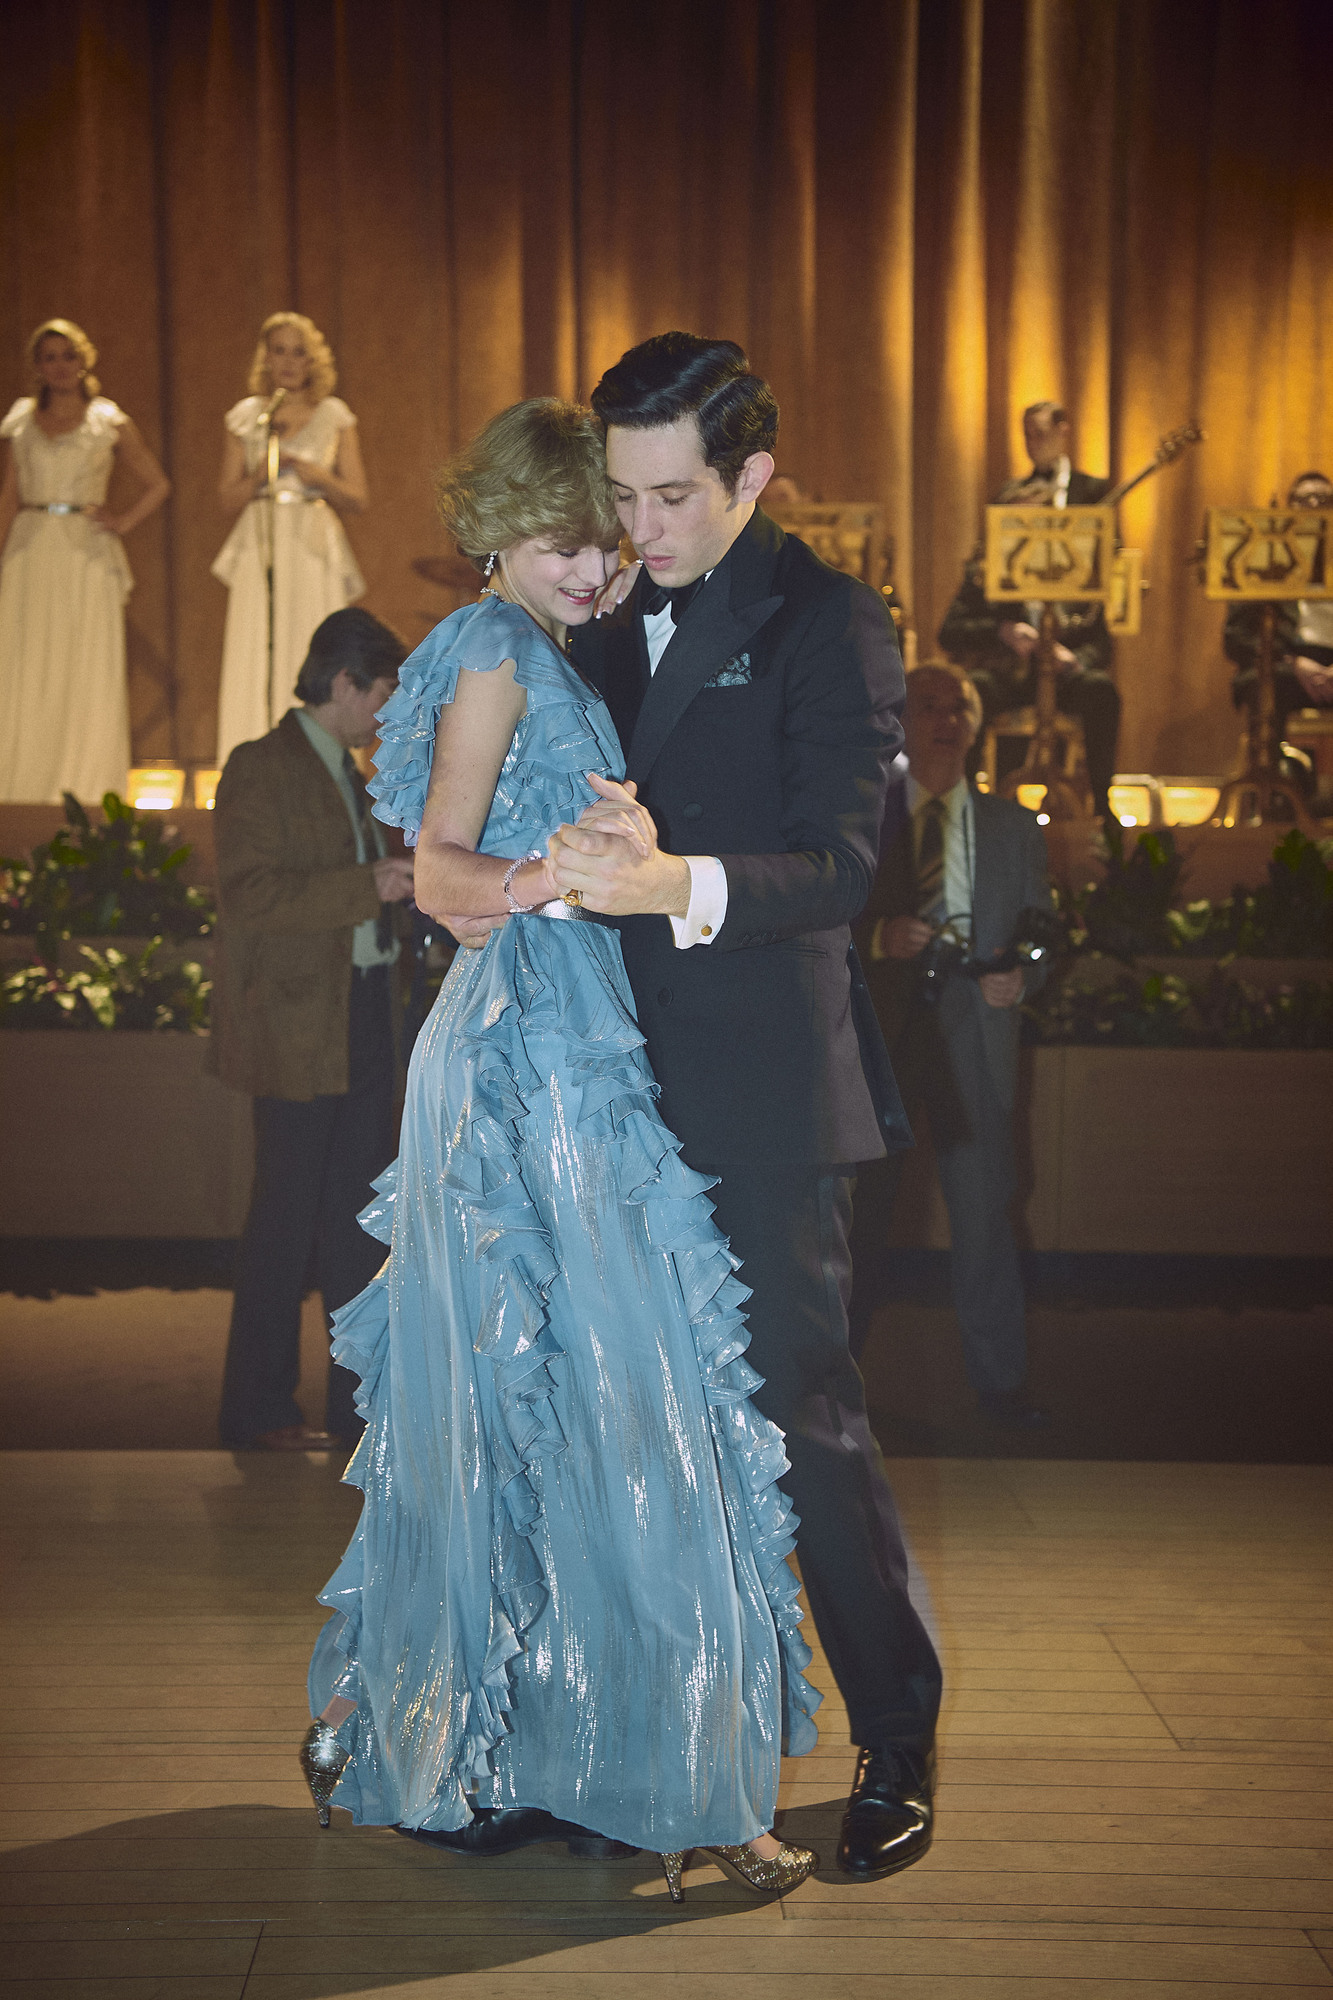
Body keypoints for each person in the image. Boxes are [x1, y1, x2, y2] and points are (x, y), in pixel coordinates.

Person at [298, 398, 820, 1904]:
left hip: (561, 1033)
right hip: (521, 1052)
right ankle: (622, 1775)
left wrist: (598, 860)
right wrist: (559, 873)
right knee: (609, 1380)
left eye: (603, 542)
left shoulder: (542, 647)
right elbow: (437, 871)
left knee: (574, 1391)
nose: (593, 567)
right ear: (495, 534)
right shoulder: (489, 647)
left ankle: (556, 1753)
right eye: (559, 541)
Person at [552, 333, 942, 1884]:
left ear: (753, 477)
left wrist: (673, 885)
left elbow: (845, 866)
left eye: (671, 496)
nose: (638, 529)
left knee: (801, 1423)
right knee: (611, 1418)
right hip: (607, 1082)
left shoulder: (829, 619)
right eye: (622, 493)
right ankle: (622, 1745)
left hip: (769, 1095)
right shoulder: (591, 613)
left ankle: (896, 1738)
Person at [211, 607, 414, 1451]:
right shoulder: (260, 765)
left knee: (356, 1224)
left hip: (359, 1016)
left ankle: (353, 1409)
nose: (387, 711)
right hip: (297, 1030)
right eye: (383, 693)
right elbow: (251, 894)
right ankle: (255, 1409)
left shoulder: (351, 772)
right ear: (343, 683)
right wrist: (373, 882)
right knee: (284, 1224)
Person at [847, 663, 1052, 1425]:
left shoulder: (1011, 827)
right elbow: (818, 920)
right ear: (899, 720)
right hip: (885, 1031)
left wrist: (1022, 977)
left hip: (973, 1026)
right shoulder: (863, 814)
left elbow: (1040, 929)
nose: (946, 719)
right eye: (928, 705)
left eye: (959, 706)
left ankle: (1000, 1387)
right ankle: (837, 1390)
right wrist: (879, 937)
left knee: (984, 1210)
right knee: (861, 1218)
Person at [0, 318, 170, 804]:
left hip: (85, 552)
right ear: (37, 366)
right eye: (49, 357)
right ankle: (22, 787)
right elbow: (9, 495)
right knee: (27, 664)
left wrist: (122, 521)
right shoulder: (22, 420)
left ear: (83, 361)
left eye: (68, 355)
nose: (60, 366)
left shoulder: (106, 421)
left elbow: (158, 484)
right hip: (31, 552)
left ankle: (86, 785)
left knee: (84, 664)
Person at [937, 400, 1121, 817]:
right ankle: (969, 803)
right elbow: (950, 631)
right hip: (1013, 673)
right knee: (973, 689)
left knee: (1102, 691)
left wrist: (1075, 659)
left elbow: (1102, 639)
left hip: (1065, 671)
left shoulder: (1077, 561)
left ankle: (1102, 805)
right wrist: (1003, 632)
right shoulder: (987, 567)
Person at [213, 311, 368, 766]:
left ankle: (324, 762)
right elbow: (225, 498)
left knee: (313, 637)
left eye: (298, 352)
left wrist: (318, 475)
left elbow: (358, 497)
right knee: (257, 641)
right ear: (265, 357)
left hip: (312, 539)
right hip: (261, 538)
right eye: (278, 351)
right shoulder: (247, 416)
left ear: (312, 360)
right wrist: (265, 472)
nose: (288, 361)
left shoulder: (334, 414)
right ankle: (253, 761)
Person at [1224, 470, 1333, 751]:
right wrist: (1291, 661)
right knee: (1266, 682)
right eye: (1304, 499)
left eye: (1324, 499)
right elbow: (1235, 637)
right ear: (1289, 506)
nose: (1314, 505)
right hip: (1285, 662)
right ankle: (1268, 774)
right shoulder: (1264, 557)